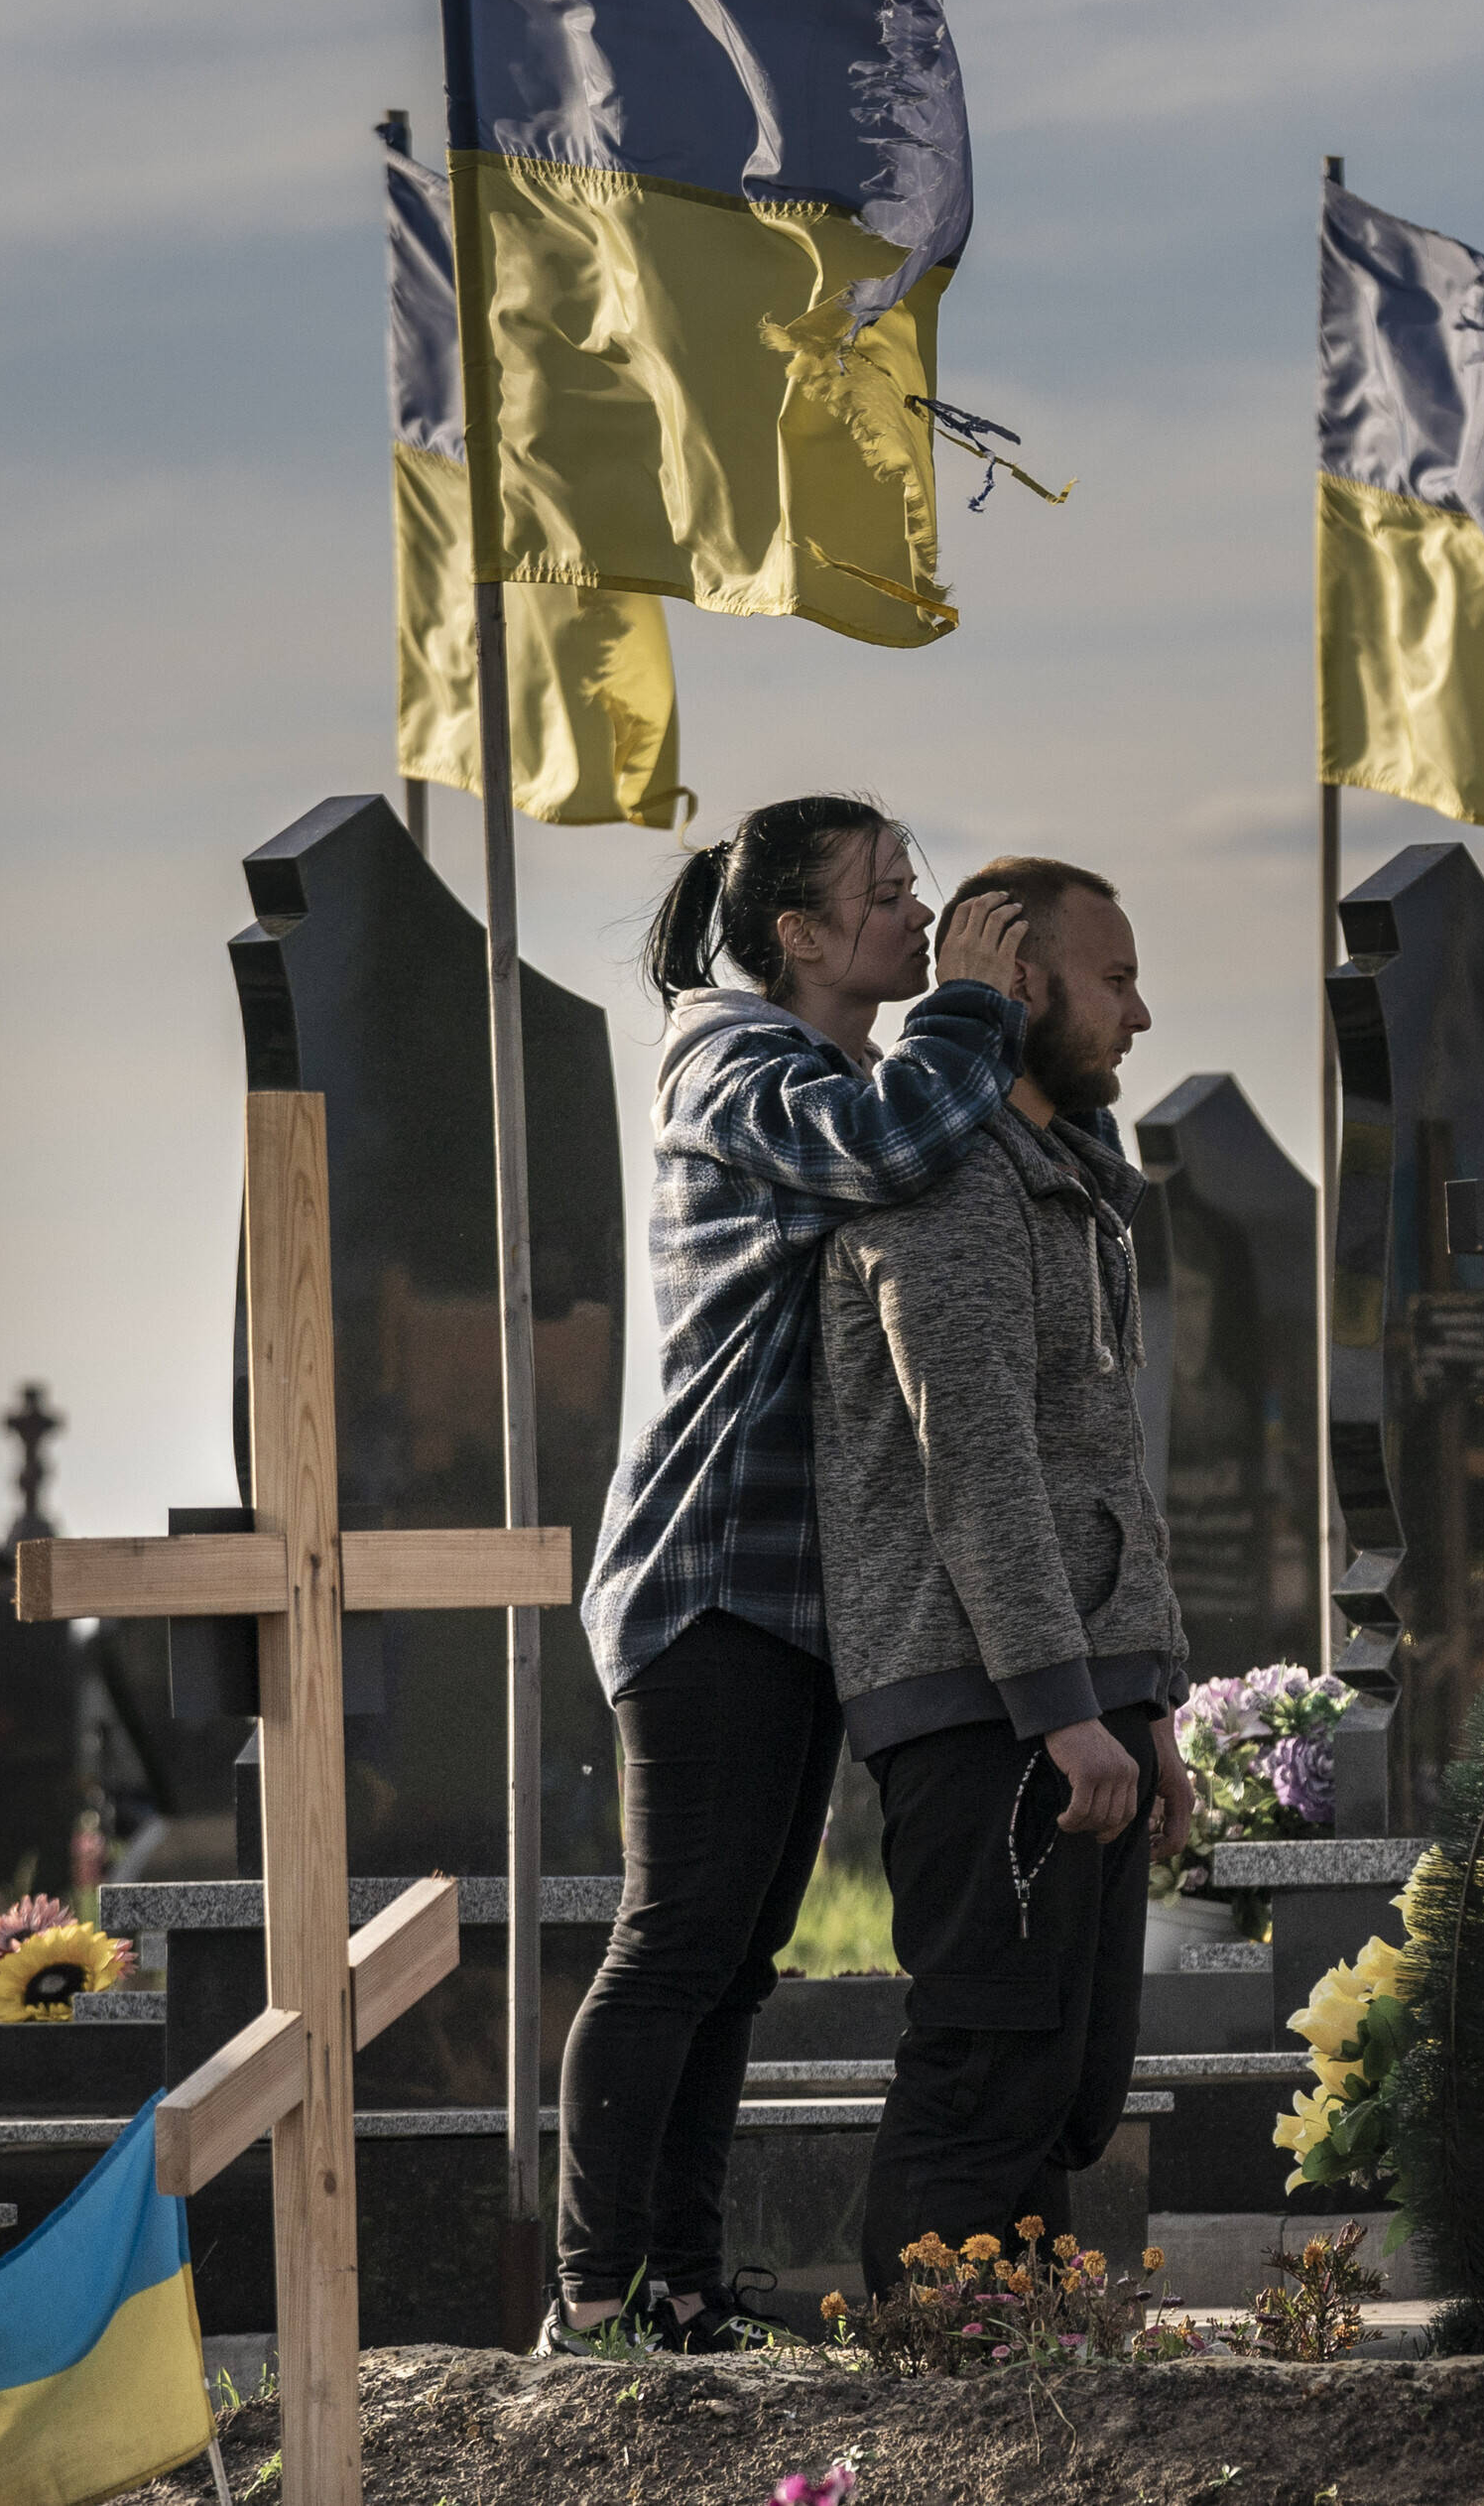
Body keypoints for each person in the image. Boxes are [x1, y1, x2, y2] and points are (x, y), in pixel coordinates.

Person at [551, 799, 1031, 2354]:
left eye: (916, 888)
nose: (915, 912)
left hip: (793, 1590)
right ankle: (592, 2296)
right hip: (710, 1575)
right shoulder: (733, 1062)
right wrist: (973, 1002)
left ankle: (676, 2287)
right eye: (885, 896)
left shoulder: (814, 1058)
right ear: (800, 937)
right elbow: (886, 1152)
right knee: (676, 1939)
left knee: (736, 1962)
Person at [809, 854, 1193, 2287]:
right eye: (1114, 979)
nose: (1140, 1014)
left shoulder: (1072, 1185)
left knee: (1070, 2087)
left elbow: (1101, 1473)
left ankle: (1026, 2382)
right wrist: (1058, 1703)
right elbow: (975, 1460)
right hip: (982, 1702)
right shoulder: (953, 1179)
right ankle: (924, 2415)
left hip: (1073, 1702)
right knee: (990, 2065)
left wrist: (1147, 1704)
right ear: (1021, 983)